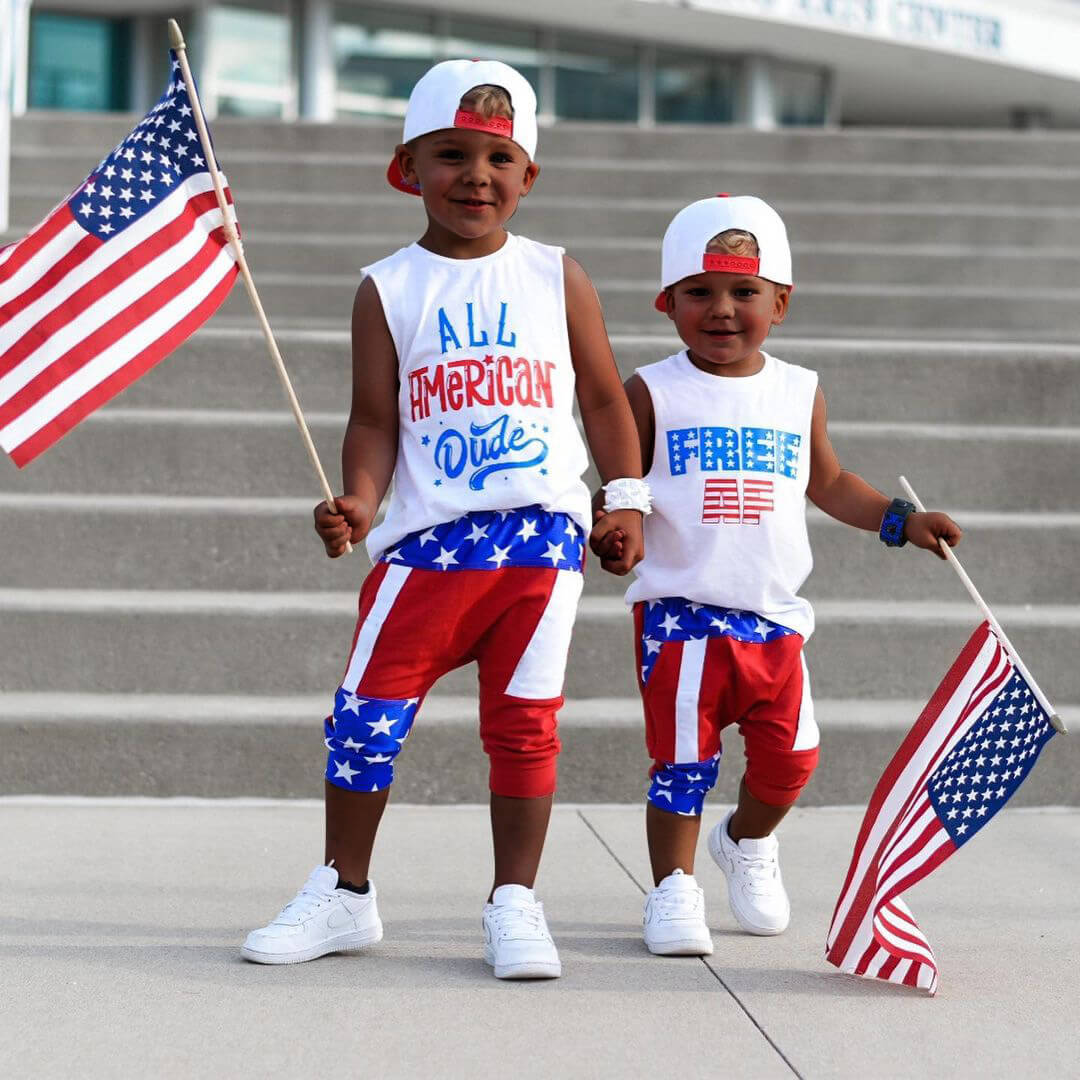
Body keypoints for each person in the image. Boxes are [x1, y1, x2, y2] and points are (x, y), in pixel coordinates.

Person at [240, 59, 646, 979]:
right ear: (408, 167)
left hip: (540, 540)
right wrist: (359, 499)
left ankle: (515, 901)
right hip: (428, 546)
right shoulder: (388, 287)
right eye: (452, 154)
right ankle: (345, 893)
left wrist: (625, 498)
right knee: (364, 720)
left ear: (528, 175)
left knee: (525, 724)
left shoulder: (555, 274)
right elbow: (374, 421)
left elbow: (601, 399)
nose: (476, 176)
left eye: (499, 158)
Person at [596, 195, 962, 957]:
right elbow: (624, 483)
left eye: (744, 292)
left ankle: (746, 839)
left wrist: (901, 519)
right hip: (681, 611)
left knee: (791, 762)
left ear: (781, 303)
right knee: (682, 765)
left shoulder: (797, 390)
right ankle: (673, 889)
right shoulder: (651, 389)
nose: (722, 310)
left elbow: (828, 482)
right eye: (698, 292)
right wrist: (619, 524)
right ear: (667, 303)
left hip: (772, 615)